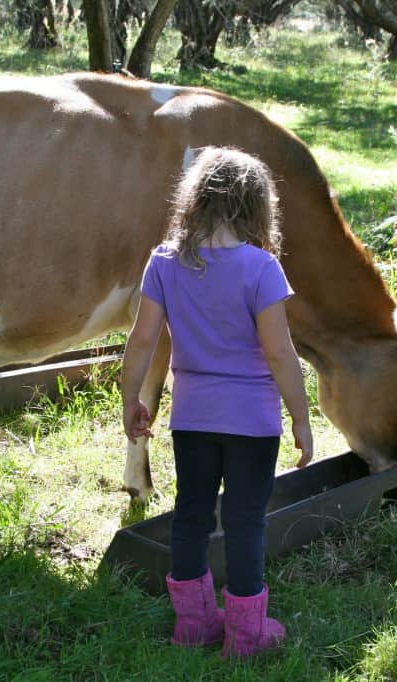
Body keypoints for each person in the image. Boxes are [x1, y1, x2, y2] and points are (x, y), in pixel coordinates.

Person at [121, 147, 314, 656]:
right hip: (252, 423)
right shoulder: (261, 268)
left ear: (195, 201)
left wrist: (130, 401)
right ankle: (246, 636)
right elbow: (278, 352)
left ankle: (194, 626)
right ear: (257, 208)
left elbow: (142, 341)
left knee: (192, 514)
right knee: (246, 521)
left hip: (193, 417)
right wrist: (300, 416)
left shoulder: (164, 261)